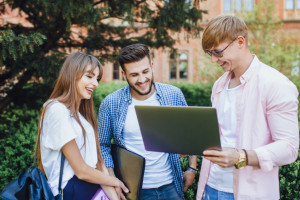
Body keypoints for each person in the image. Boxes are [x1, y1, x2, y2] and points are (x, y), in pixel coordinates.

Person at [196, 15, 299, 200]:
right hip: (210, 187)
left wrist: (240, 157)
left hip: (250, 194)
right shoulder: (219, 85)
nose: (213, 60)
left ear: (240, 42)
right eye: (210, 53)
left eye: (217, 52)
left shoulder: (276, 84)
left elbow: (289, 148)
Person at [98, 43, 198, 200]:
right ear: (124, 74)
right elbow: (102, 145)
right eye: (134, 74)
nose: (142, 79)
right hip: (133, 190)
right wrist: (112, 181)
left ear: (152, 66)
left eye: (145, 71)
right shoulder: (111, 103)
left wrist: (192, 168)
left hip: (171, 187)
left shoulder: (173, 95)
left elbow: (190, 133)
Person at [36, 52, 129, 200]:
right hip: (70, 190)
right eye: (89, 76)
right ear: (72, 74)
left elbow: (97, 164)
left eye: (97, 78)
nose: (96, 84)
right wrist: (115, 181)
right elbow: (81, 170)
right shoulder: (56, 109)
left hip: (91, 187)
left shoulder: (82, 117)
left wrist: (114, 196)